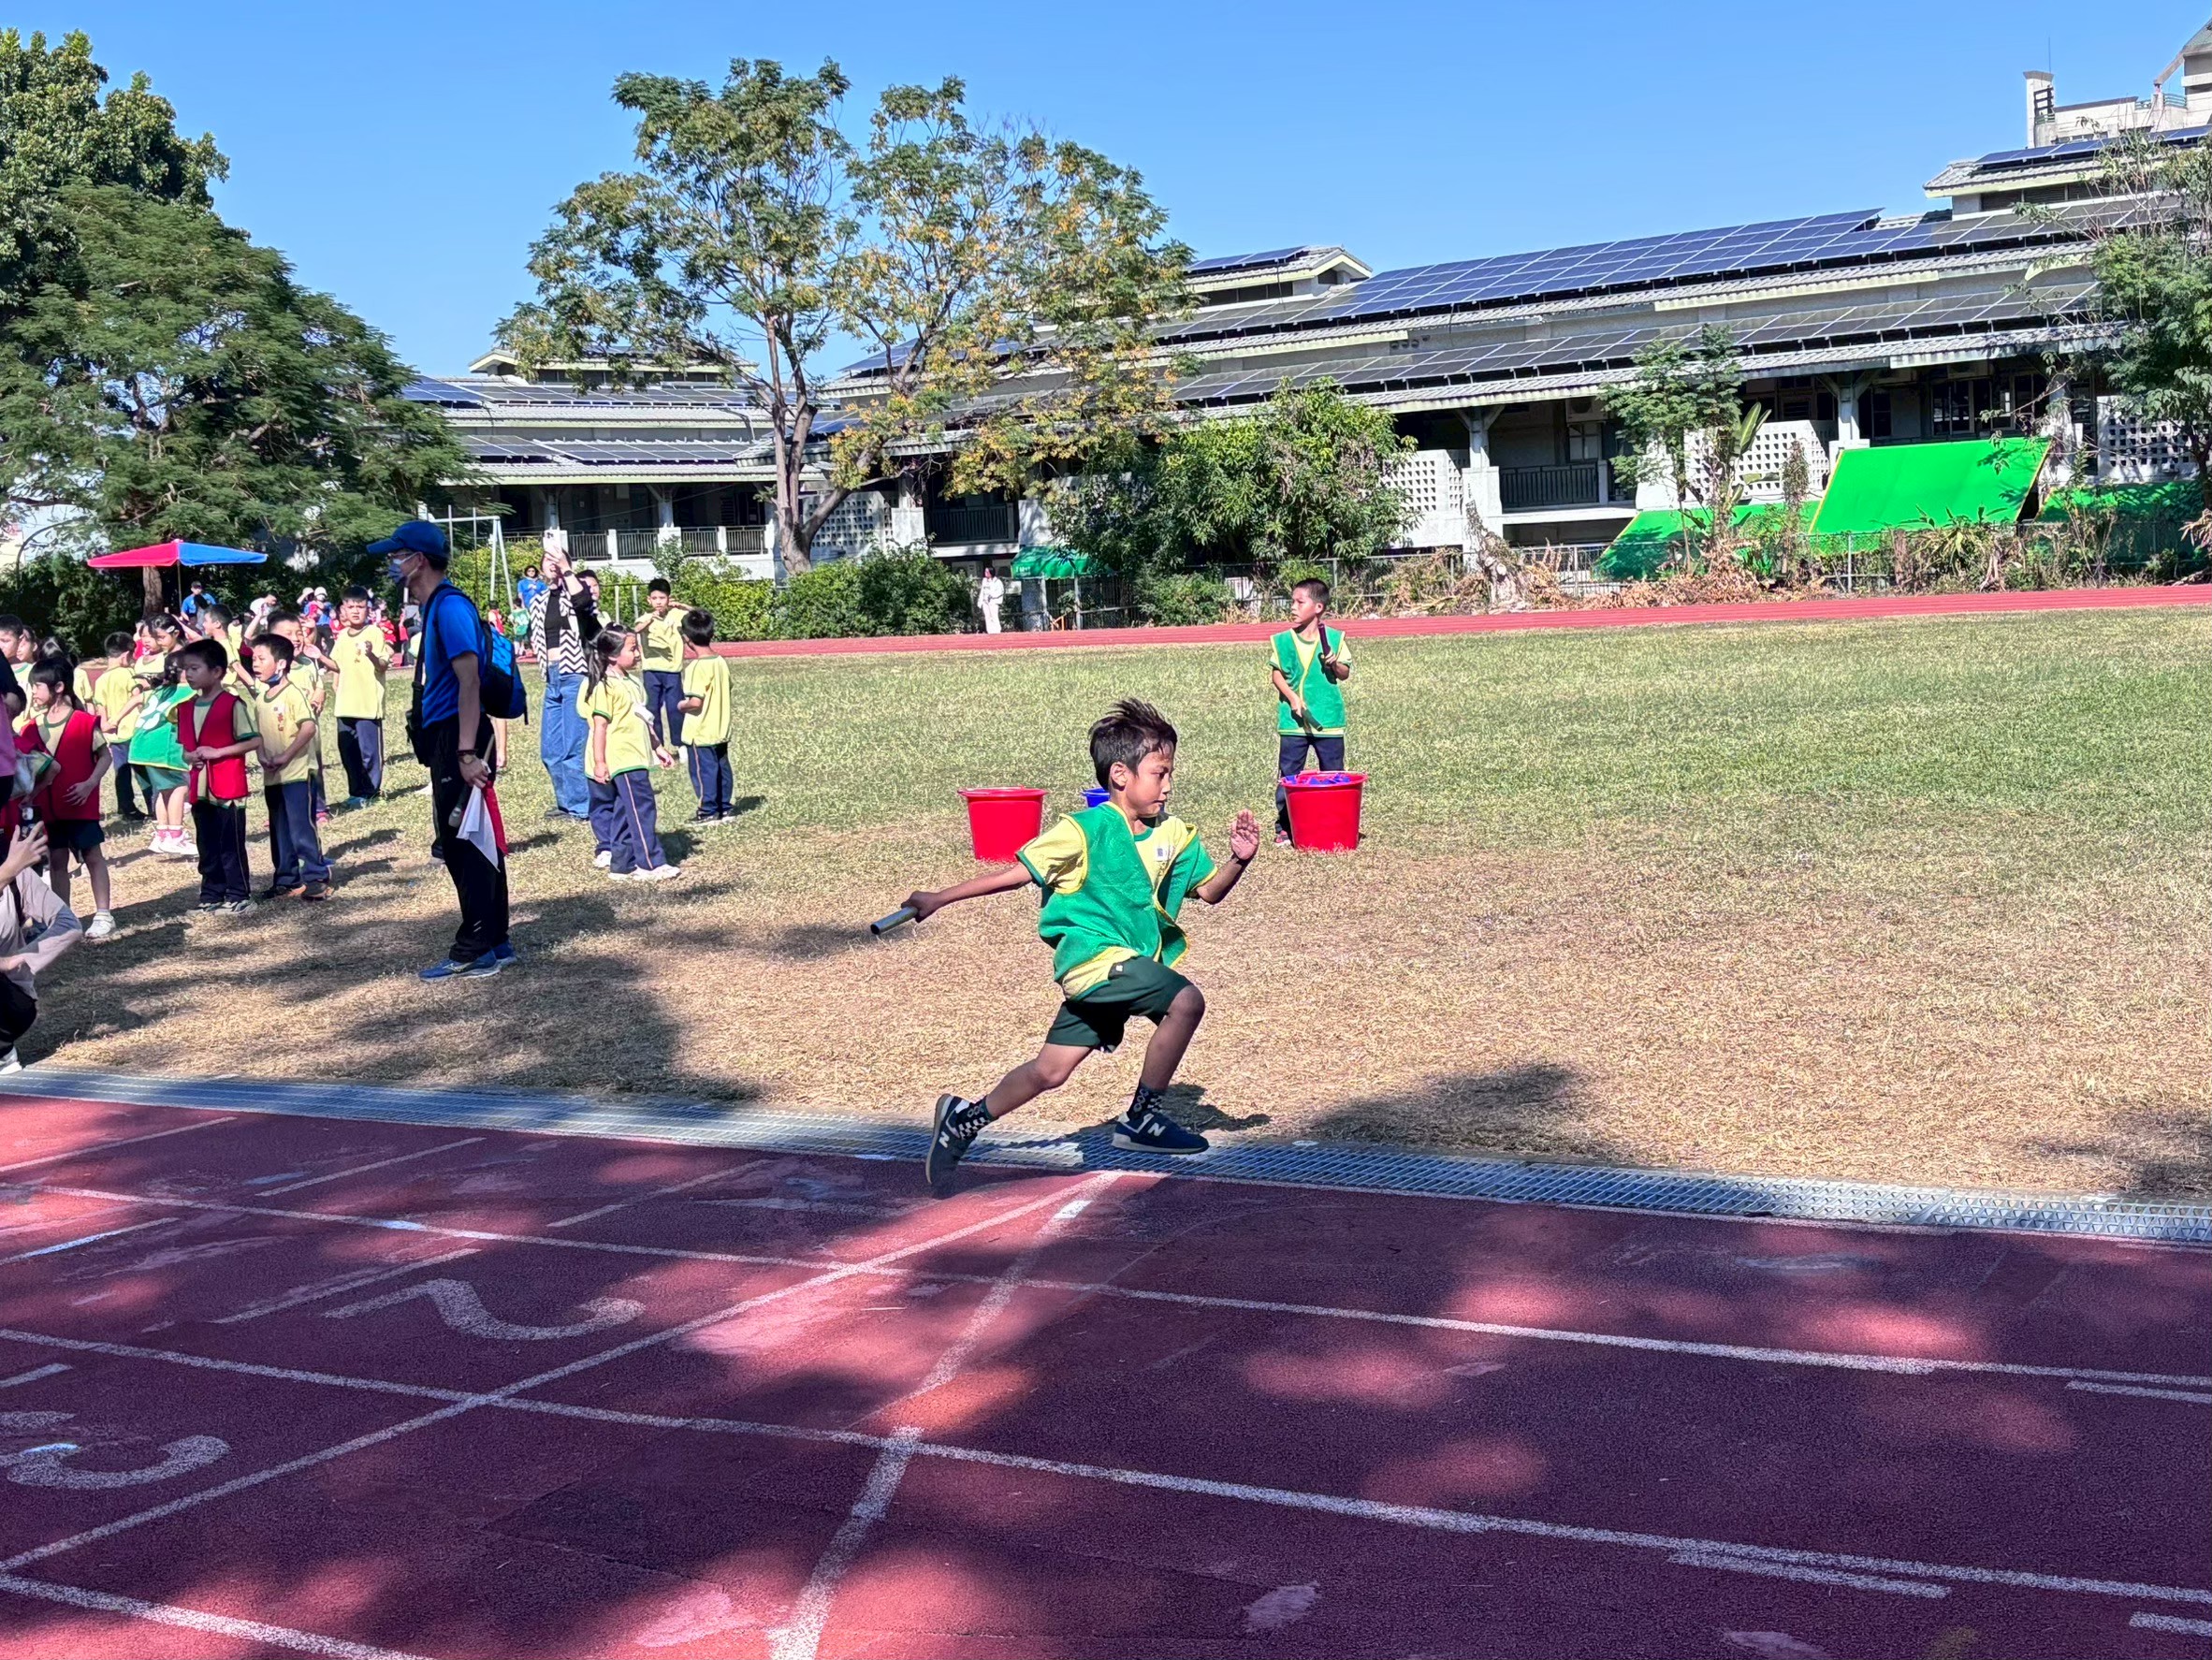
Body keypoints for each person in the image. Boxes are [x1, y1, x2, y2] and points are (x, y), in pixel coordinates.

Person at [902, 698, 1261, 1185]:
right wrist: (939, 898)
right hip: (1094, 963)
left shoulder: (1174, 834)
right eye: (1160, 773)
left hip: (1127, 966)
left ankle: (963, 1120)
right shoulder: (1083, 830)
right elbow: (1016, 875)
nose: (1169, 785)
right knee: (1186, 1002)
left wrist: (1240, 859)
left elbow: (1210, 892)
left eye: (1171, 772)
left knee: (1050, 1071)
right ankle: (1143, 1117)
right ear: (1120, 775)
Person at [380, 519, 512, 978]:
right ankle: (495, 938)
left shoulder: (450, 606)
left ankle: (475, 946)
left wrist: (466, 752)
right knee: (471, 837)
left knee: (462, 841)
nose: (392, 565)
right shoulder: (436, 605)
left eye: (397, 556)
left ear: (419, 560)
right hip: (454, 736)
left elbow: (469, 680)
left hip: (460, 735)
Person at [20, 661, 114, 939]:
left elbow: (105, 756)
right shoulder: (30, 729)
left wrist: (89, 784)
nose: (33, 692)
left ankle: (103, 915)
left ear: (58, 687)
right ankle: (65, 917)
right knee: (58, 860)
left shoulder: (84, 722)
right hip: (49, 809)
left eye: (37, 686)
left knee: (92, 856)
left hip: (80, 806)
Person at [584, 624, 680, 881]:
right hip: (622, 759)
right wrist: (600, 762)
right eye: (633, 648)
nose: (638, 653)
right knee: (642, 809)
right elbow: (600, 727)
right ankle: (651, 864)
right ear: (613, 655)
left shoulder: (634, 682)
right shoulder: (604, 686)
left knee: (626, 812)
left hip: (639, 757)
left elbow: (644, 718)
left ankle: (622, 864)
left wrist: (657, 746)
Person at [1268, 577, 1352, 847]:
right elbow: (1276, 675)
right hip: (1293, 725)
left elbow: (1345, 673)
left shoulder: (1335, 639)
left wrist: (1335, 663)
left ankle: (1333, 824)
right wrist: (1292, 698)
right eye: (1292, 601)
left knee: (1333, 776)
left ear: (1317, 607)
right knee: (1289, 776)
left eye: (1299, 602)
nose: (1293, 607)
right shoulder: (1283, 641)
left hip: (1328, 722)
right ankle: (1285, 826)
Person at [248, 634, 332, 902]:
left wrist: (286, 755)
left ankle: (316, 877)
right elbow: (257, 734)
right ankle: (286, 878)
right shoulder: (261, 698)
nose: (256, 664)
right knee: (279, 828)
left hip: (296, 774)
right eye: (254, 659)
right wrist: (262, 756)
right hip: (272, 777)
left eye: (262, 659)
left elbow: (308, 727)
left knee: (301, 827)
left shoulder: (294, 693)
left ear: (281, 664)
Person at [174, 638, 256, 911]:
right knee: (206, 844)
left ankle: (238, 893)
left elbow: (253, 741)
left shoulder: (232, 704)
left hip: (228, 786)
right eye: (186, 669)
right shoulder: (184, 708)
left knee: (230, 843)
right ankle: (211, 894)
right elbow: (184, 749)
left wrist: (218, 752)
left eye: (195, 668)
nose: (188, 674)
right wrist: (191, 756)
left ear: (217, 671)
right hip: (199, 788)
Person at [524, 545, 601, 821]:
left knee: (573, 745)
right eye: (547, 558)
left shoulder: (577, 592)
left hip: (574, 673)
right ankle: (566, 802)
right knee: (551, 749)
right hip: (551, 676)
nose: (551, 563)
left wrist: (567, 571)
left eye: (556, 558)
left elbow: (584, 604)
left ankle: (582, 807)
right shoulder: (538, 600)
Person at [0, 823, 82, 1070]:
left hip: (7, 1002)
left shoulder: (17, 876)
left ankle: (3, 1052)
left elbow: (69, 924)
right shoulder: (8, 870)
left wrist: (17, 958)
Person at [127, 615, 194, 857]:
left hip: (140, 745)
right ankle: (176, 835)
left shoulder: (162, 688)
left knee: (163, 790)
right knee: (178, 787)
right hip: (163, 747)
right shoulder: (187, 692)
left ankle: (162, 834)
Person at [327, 585, 392, 807]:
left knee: (369, 752)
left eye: (360, 607)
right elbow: (336, 665)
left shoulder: (374, 632)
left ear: (368, 609)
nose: (355, 611)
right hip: (345, 703)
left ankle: (372, 792)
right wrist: (315, 654)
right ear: (342, 609)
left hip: (367, 704)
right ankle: (356, 792)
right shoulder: (343, 635)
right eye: (351, 606)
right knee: (348, 750)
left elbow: (383, 665)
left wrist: (372, 654)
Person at [677, 608, 733, 823]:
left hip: (700, 732)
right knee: (722, 769)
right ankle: (724, 806)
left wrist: (681, 705)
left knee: (703, 773)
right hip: (720, 727)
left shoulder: (695, 668)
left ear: (686, 639)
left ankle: (707, 810)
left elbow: (695, 702)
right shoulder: (720, 662)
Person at [90, 633, 147, 823]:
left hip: (115, 735)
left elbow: (100, 706)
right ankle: (154, 805)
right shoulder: (129, 674)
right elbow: (137, 697)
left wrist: (107, 724)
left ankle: (126, 809)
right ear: (126, 655)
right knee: (143, 772)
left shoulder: (101, 680)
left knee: (121, 772)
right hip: (134, 731)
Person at [636, 578, 690, 750]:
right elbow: (634, 631)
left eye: (662, 598)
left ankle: (680, 745)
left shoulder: (676, 615)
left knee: (675, 709)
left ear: (669, 599)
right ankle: (657, 747)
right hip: (651, 670)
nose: (659, 602)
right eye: (655, 598)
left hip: (672, 670)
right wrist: (650, 620)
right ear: (649, 600)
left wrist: (683, 606)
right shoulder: (644, 618)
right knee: (652, 709)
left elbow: (701, 616)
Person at [978, 565, 1006, 635]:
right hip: (985, 601)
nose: (986, 573)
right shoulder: (984, 581)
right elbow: (982, 591)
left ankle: (997, 630)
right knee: (987, 616)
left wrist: (992, 595)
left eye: (987, 571)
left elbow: (1000, 591)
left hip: (993, 601)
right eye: (985, 571)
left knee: (994, 616)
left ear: (991, 572)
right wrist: (980, 601)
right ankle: (990, 631)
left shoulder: (997, 581)